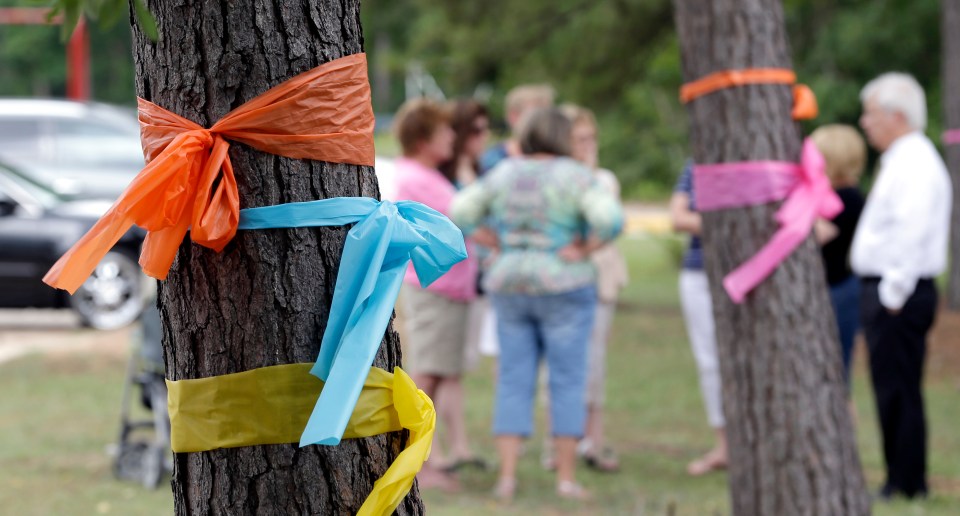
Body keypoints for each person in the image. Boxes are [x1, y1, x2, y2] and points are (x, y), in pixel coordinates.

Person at [451, 108, 623, 501]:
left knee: (512, 378)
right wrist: (586, 248)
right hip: (565, 283)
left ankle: (507, 479)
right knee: (567, 379)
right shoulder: (577, 176)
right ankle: (565, 479)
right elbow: (610, 219)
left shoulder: (505, 172)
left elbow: (461, 210)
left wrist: (489, 239)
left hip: (509, 282)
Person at [852, 72, 952, 500]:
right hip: (893, 289)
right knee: (891, 385)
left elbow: (911, 232)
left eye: (871, 114)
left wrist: (893, 292)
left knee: (899, 387)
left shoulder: (915, 164)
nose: (864, 122)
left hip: (899, 292)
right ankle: (901, 475)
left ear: (897, 116)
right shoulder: (902, 159)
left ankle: (907, 483)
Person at [391, 98, 479, 491]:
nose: (452, 137)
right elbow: (465, 215)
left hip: (450, 290)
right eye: (445, 131)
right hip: (435, 289)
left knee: (439, 374)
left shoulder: (428, 175)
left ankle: (430, 456)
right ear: (424, 138)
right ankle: (418, 462)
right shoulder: (415, 177)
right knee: (426, 375)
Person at [561, 104, 629, 472]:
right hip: (564, 281)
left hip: (598, 279)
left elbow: (609, 225)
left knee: (594, 362)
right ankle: (561, 443)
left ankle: (593, 440)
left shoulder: (604, 179)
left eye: (591, 138)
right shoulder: (557, 179)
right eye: (579, 139)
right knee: (561, 364)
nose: (587, 145)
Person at [669, 162, 727, 476]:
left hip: (746, 273)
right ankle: (724, 444)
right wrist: (730, 223)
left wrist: (704, 222)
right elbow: (678, 217)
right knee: (709, 361)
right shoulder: (693, 167)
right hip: (699, 273)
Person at [810, 125, 867, 386]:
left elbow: (818, 234)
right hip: (833, 288)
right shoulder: (835, 197)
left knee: (837, 373)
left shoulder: (849, 199)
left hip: (841, 289)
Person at [478, 84, 554, 174]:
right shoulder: (493, 161)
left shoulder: (557, 160)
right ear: (513, 116)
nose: (543, 123)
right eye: (534, 117)